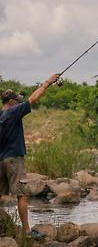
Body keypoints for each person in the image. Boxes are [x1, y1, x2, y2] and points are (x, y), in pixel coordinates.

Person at [0, 73, 60, 238]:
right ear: (11, 101)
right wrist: (48, 82)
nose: (19, 102)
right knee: (22, 194)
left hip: (1, 160)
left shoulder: (0, 116)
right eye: (17, 100)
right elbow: (33, 99)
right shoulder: (13, 112)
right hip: (14, 160)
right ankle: (27, 232)